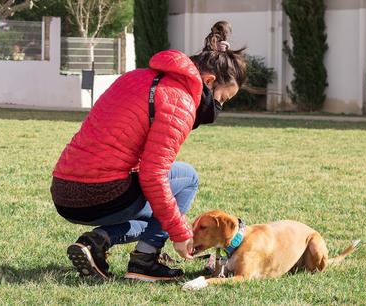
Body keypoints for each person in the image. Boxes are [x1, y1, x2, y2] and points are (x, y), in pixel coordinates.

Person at [50, 21, 246, 281]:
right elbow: (154, 175)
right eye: (222, 99)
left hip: (64, 191)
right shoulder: (181, 101)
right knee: (187, 178)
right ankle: (145, 259)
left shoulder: (136, 77)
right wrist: (179, 233)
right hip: (100, 194)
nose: (218, 107)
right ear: (209, 81)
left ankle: (96, 241)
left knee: (164, 210)